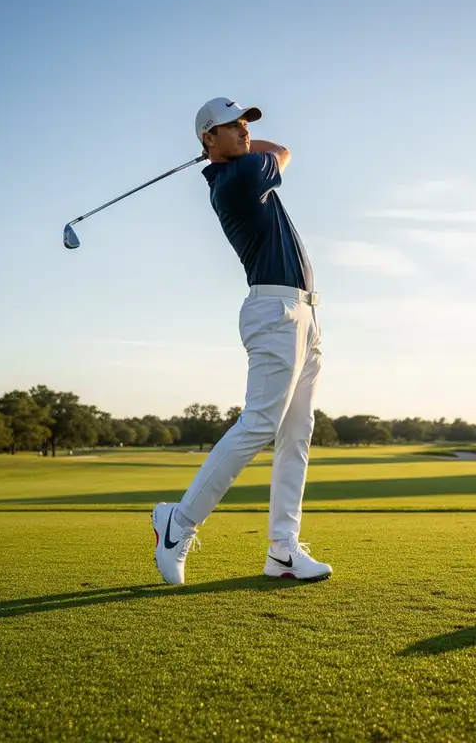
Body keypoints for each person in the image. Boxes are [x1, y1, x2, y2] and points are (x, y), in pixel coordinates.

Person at [151, 97, 332, 585]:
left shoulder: (239, 168)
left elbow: (270, 148)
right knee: (260, 424)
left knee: (297, 432)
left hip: (304, 314)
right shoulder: (242, 177)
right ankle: (179, 522)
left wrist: (227, 146)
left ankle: (283, 551)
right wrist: (230, 152)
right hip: (276, 312)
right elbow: (283, 151)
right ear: (208, 137)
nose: (244, 131)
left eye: (245, 124)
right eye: (232, 126)